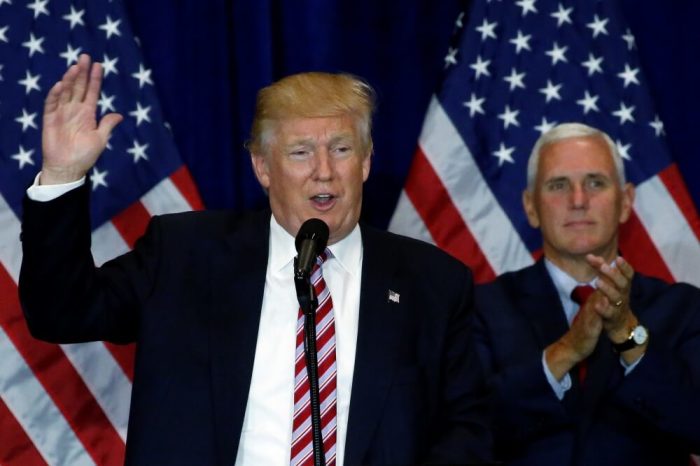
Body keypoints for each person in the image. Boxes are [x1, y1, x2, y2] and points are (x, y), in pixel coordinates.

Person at [19, 54, 492, 465]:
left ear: (366, 162)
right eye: (301, 152)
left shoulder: (432, 283)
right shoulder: (185, 254)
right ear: (263, 167)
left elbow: (468, 428)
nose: (323, 170)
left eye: (342, 149)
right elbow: (62, 311)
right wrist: (62, 175)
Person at [473, 122, 700, 465]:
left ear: (626, 202)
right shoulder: (482, 308)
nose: (578, 200)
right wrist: (566, 351)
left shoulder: (683, 308)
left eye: (595, 182)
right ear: (530, 207)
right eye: (558, 185)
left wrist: (628, 333)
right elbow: (467, 429)